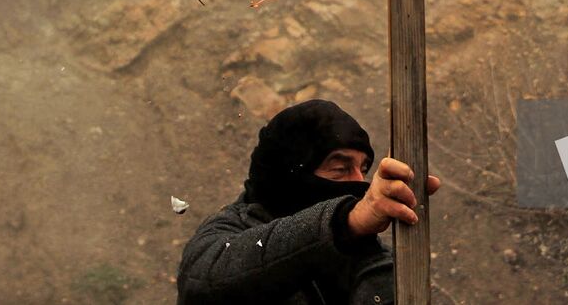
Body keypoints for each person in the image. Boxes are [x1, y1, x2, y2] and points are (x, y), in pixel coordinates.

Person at [176, 99, 440, 305]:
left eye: (364, 169)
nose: (359, 184)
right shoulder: (227, 234)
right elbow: (205, 283)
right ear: (290, 172)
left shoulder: (372, 259)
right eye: (340, 169)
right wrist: (346, 221)